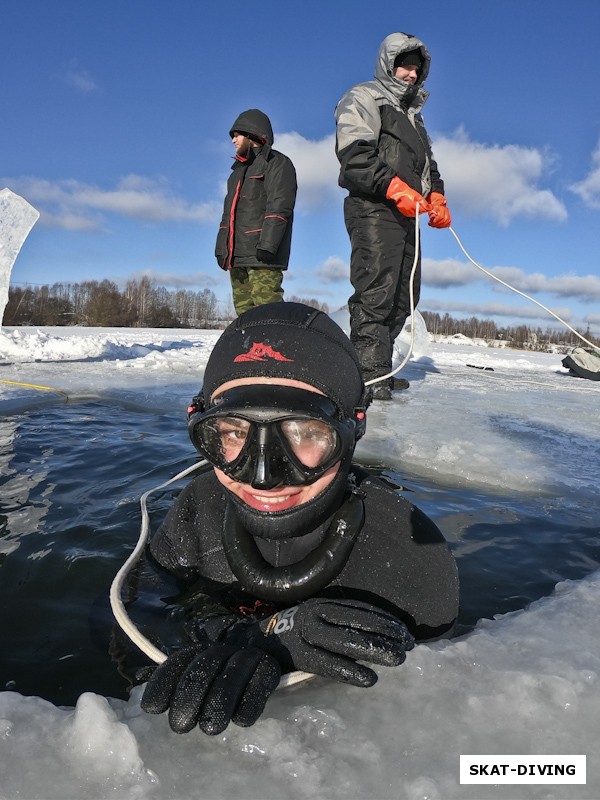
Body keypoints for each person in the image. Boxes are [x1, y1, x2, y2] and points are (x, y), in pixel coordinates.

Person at [140, 302, 459, 736]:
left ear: (353, 429)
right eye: (233, 432)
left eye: (306, 433)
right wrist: (223, 636)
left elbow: (416, 731)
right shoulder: (197, 508)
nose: (263, 477)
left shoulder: (412, 558)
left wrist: (270, 642)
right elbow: (136, 612)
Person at [335, 32, 453, 401]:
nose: (412, 74)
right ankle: (367, 380)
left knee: (406, 294)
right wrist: (393, 187)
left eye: (418, 69)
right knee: (377, 291)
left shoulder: (414, 118)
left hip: (407, 213)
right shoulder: (364, 97)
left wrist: (437, 192)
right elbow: (354, 156)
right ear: (388, 64)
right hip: (374, 207)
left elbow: (427, 165)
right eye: (405, 65)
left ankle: (380, 371)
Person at [215, 109, 297, 315]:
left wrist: (268, 245)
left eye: (236, 134)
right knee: (244, 316)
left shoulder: (277, 163)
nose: (233, 140)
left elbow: (280, 205)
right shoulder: (236, 173)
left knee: (268, 311)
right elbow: (228, 214)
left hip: (262, 255)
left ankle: (279, 347)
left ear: (252, 134)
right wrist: (222, 248)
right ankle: (250, 348)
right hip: (237, 255)